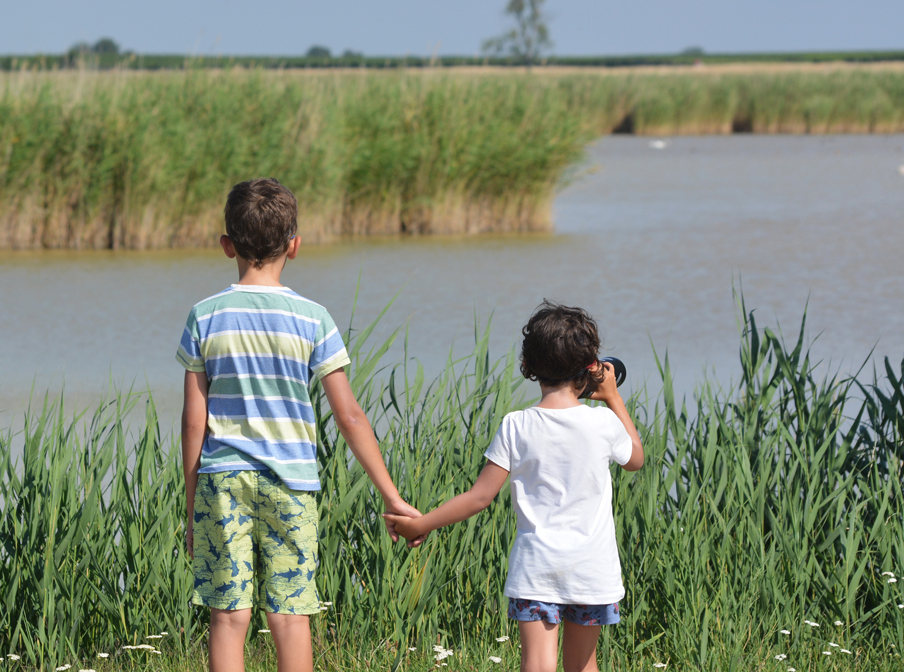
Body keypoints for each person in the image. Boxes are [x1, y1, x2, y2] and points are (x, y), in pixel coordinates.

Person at [177, 178, 420, 672]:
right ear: (295, 245)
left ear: (228, 246)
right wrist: (391, 495)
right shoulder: (314, 319)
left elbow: (192, 418)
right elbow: (349, 415)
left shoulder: (205, 315)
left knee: (228, 614)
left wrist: (190, 497)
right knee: (290, 615)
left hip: (223, 479)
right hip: (292, 483)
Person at [384, 301, 644, 672]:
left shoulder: (516, 425)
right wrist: (614, 397)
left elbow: (479, 497)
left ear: (530, 365)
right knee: (584, 666)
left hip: (536, 569)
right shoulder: (603, 423)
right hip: (592, 569)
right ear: (590, 368)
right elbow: (635, 459)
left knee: (536, 665)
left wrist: (421, 523)